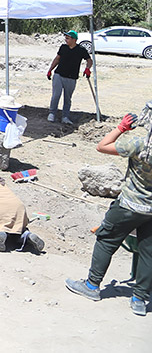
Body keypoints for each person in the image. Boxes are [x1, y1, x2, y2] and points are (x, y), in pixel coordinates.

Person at [65, 105, 152, 317]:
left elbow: (102, 146)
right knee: (149, 252)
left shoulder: (139, 144)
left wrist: (121, 128)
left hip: (129, 205)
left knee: (106, 240)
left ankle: (92, 286)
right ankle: (139, 299)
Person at [47, 30, 93, 125]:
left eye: (68, 38)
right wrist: (50, 70)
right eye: (66, 38)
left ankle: (65, 117)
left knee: (67, 98)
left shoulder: (81, 50)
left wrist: (88, 68)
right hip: (58, 75)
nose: (66, 40)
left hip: (72, 77)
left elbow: (89, 60)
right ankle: (52, 114)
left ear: (74, 39)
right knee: (56, 95)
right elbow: (57, 59)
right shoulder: (63, 47)